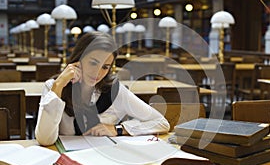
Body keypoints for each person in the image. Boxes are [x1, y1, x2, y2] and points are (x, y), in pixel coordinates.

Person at [35, 31, 170, 146]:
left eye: (105, 67)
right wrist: (58, 86)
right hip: (63, 164)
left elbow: (162, 123)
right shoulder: (54, 87)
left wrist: (118, 129)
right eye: (93, 63)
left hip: (105, 160)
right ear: (79, 58)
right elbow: (45, 140)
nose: (98, 73)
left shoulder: (113, 90)